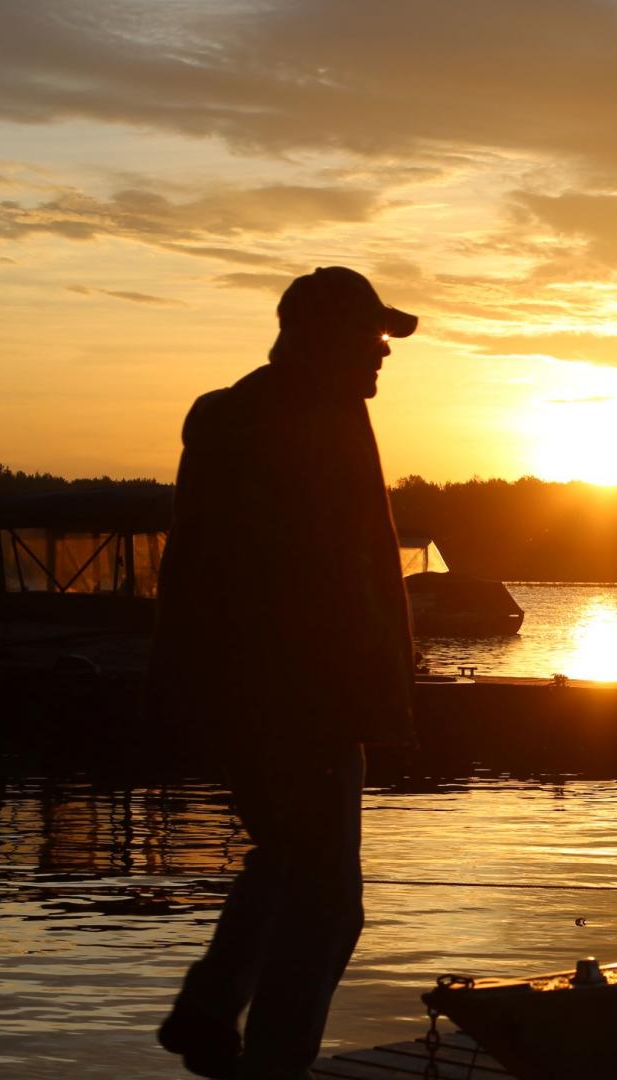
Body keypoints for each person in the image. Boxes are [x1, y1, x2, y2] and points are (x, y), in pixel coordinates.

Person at [151, 266, 419, 1079]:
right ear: (324, 340)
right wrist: (375, 692)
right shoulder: (307, 421)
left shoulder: (247, 415)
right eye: (372, 339)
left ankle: (207, 1009)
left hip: (259, 698)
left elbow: (196, 565)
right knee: (330, 905)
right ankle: (273, 1062)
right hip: (304, 701)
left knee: (285, 860)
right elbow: (334, 577)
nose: (384, 355)